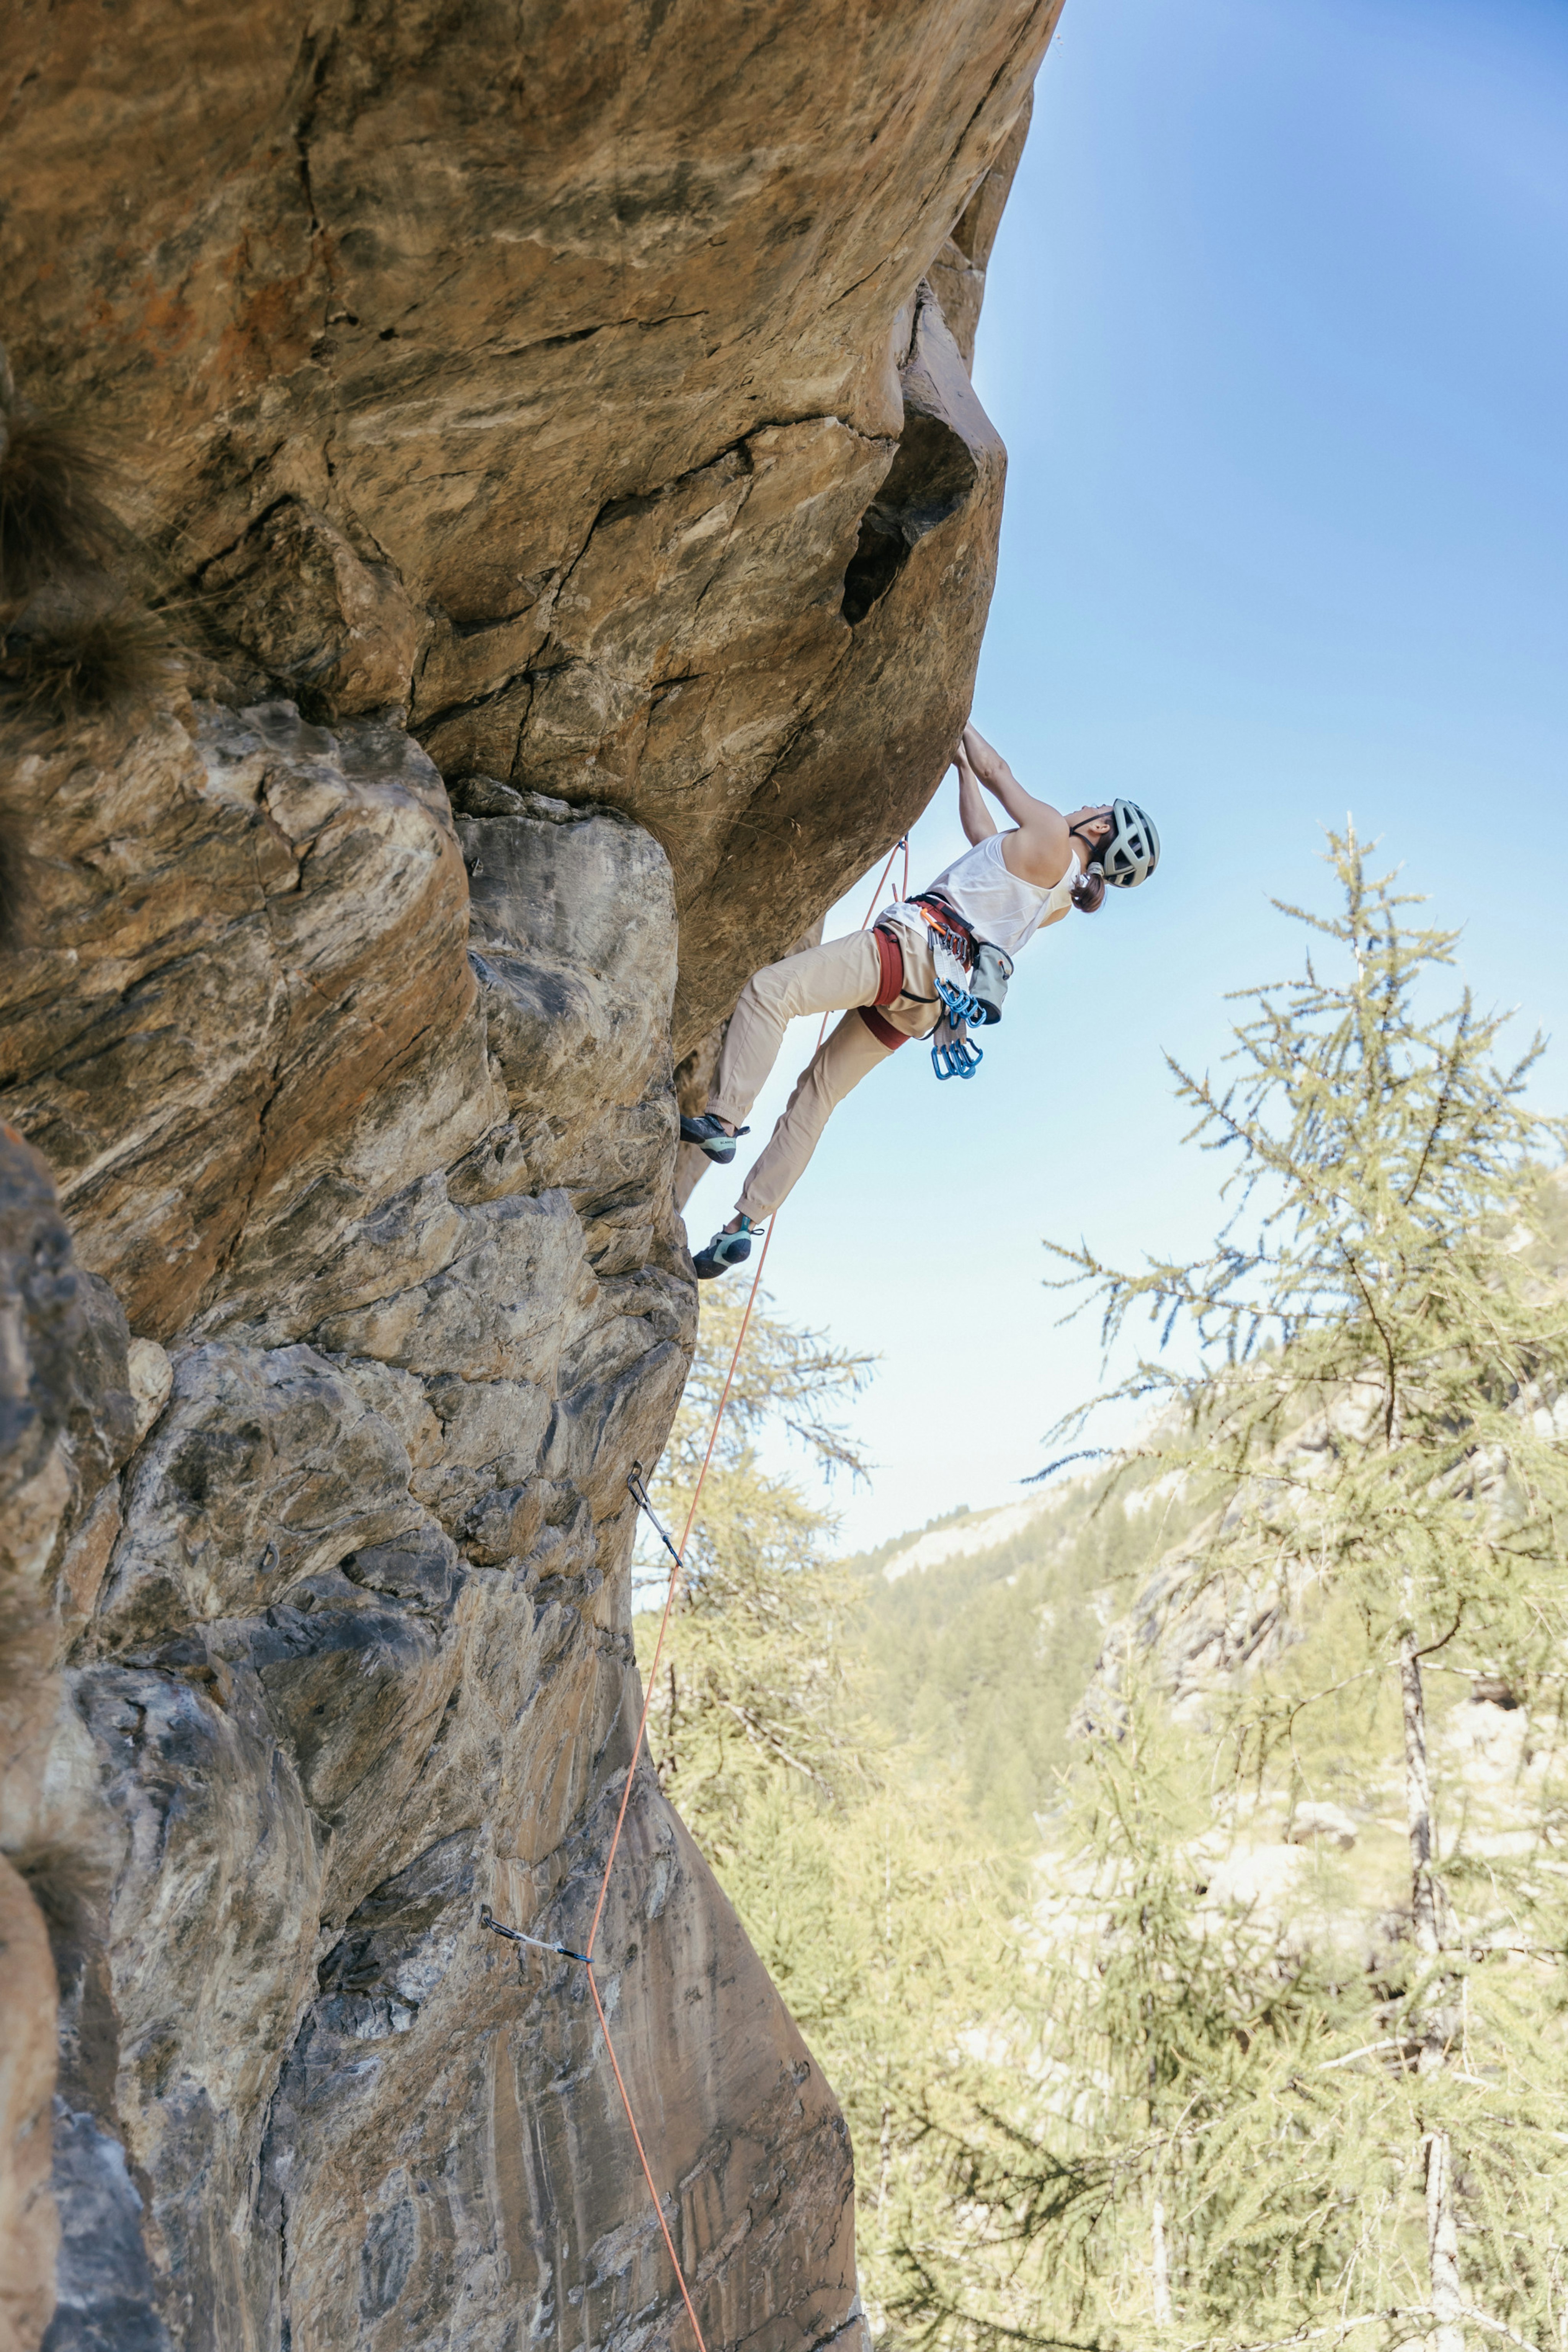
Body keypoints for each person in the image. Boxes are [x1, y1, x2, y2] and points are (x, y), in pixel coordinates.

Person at [681, 722, 1160, 1278]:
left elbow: (998, 773)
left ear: (1101, 825)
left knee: (772, 991)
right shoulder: (1059, 898)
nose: (1086, 806)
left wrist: (962, 724)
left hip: (912, 949)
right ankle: (743, 1224)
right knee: (819, 1094)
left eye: (1096, 806)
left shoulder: (1053, 831)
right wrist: (959, 769)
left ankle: (723, 1117)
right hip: (932, 1005)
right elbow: (984, 835)